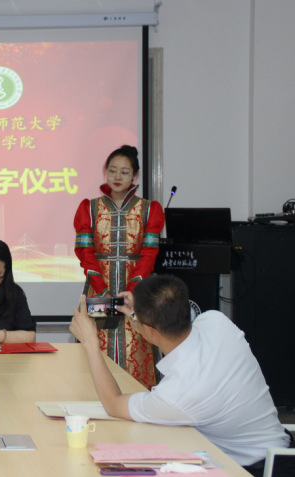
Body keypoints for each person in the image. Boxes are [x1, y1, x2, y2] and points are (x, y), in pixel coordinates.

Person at [69, 275, 293, 476]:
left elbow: (113, 403)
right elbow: (176, 324)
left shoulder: (179, 395)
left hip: (251, 470)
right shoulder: (217, 322)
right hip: (279, 447)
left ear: (150, 331)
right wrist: (141, 316)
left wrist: (90, 343)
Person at [73, 145, 164, 388]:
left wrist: (133, 287)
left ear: (135, 176)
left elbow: (149, 253)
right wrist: (101, 287)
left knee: (138, 344)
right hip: (98, 286)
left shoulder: (149, 209)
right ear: (105, 172)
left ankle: (136, 400)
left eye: (125, 172)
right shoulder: (89, 208)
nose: (117, 177)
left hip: (137, 290)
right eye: (112, 170)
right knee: (97, 344)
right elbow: (85, 252)